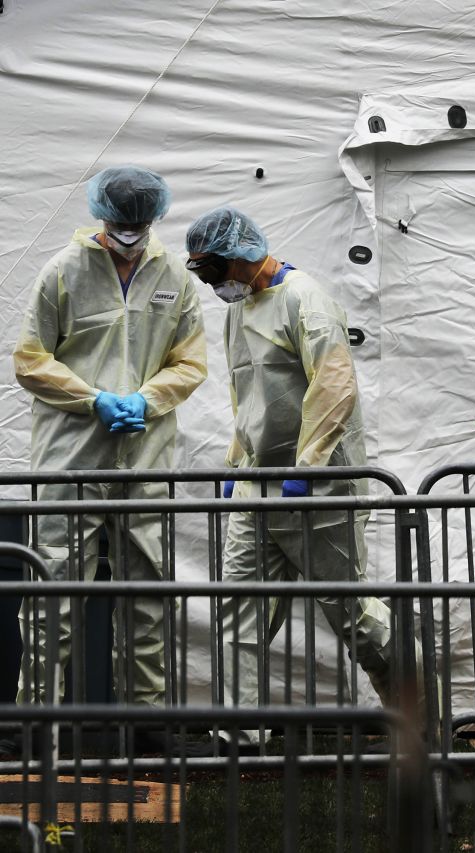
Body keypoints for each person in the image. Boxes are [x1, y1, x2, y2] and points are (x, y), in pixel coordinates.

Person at [185, 206, 419, 747]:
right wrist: (237, 461)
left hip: (319, 487)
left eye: (213, 268)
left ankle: (415, 712)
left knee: (350, 612)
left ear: (240, 253)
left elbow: (334, 386)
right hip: (260, 484)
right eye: (201, 273)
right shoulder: (238, 310)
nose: (211, 282)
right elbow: (248, 393)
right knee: (238, 608)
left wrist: (307, 466)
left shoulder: (304, 298)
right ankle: (239, 732)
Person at [11, 165, 207, 712]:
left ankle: (145, 721)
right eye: (122, 221)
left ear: (154, 219)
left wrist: (147, 398)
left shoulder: (174, 275)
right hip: (71, 454)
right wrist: (92, 397)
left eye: (140, 222)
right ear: (102, 216)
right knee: (53, 586)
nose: (130, 232)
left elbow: (190, 362)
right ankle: (36, 719)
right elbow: (30, 360)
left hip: (145, 455)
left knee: (147, 591)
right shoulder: (64, 270)